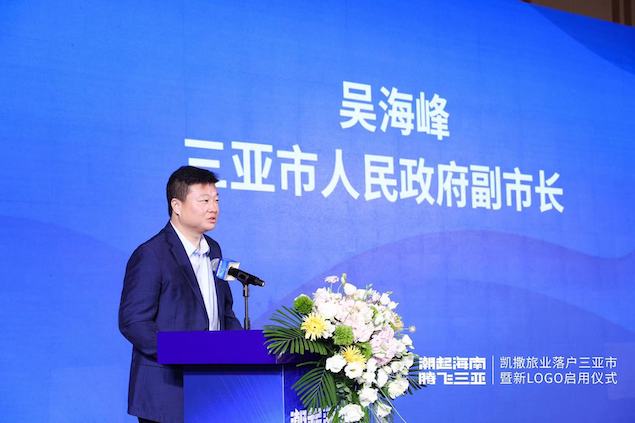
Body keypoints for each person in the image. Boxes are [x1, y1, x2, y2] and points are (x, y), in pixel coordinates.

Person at [118, 166, 242, 423]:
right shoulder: (151, 254)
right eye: (204, 201)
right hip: (167, 392)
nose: (214, 208)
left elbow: (225, 312)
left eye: (216, 200)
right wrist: (182, 353)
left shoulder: (214, 250)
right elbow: (134, 321)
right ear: (177, 205)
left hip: (212, 389)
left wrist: (241, 350)